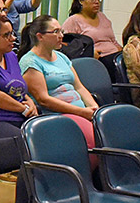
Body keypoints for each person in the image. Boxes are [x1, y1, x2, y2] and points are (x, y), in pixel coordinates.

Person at [19, 15, 99, 152]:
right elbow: (43, 100)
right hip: (57, 116)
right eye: (55, 32)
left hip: (81, 113)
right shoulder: (30, 62)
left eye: (61, 31)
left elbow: (78, 86)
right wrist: (82, 112)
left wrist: (94, 109)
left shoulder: (62, 57)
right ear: (40, 36)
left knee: (108, 131)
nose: (61, 36)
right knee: (94, 142)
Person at [61, 0, 122, 66]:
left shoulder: (102, 17)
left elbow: (112, 40)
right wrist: (89, 53)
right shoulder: (73, 21)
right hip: (97, 59)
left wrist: (120, 50)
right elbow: (66, 46)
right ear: (81, 1)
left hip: (114, 56)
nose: (96, 2)